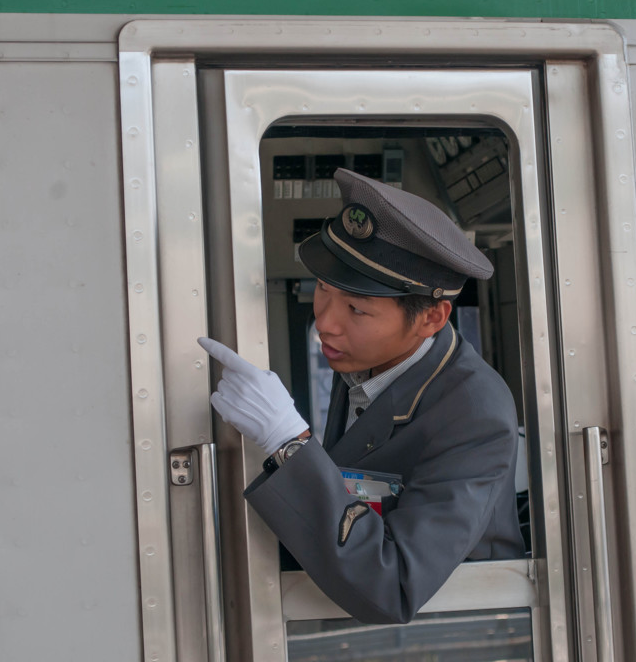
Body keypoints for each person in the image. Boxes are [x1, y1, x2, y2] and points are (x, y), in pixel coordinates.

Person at [199, 168, 524, 625]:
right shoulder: (368, 357)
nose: (325, 323)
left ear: (431, 318)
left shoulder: (474, 413)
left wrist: (288, 442)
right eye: (323, 289)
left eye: (356, 308)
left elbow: (392, 586)